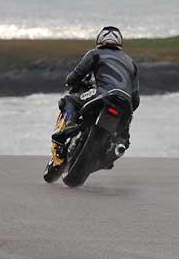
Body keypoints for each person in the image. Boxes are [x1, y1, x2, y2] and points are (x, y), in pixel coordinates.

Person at [50, 26, 140, 167]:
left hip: (102, 94)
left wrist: (71, 81)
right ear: (119, 42)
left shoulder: (95, 54)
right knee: (123, 138)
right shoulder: (131, 63)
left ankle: (69, 125)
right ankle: (117, 147)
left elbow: (75, 76)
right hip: (126, 103)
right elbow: (136, 99)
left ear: (100, 40)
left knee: (69, 100)